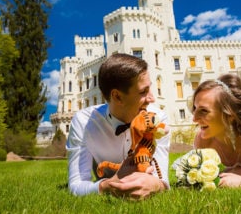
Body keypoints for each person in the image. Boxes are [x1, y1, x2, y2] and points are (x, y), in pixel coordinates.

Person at [66, 53, 170, 199]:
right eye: (143, 92)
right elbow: (76, 185)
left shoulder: (157, 119)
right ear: (117, 96)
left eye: (150, 89)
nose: (152, 98)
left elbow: (162, 179)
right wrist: (106, 186)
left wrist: (156, 185)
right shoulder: (84, 123)